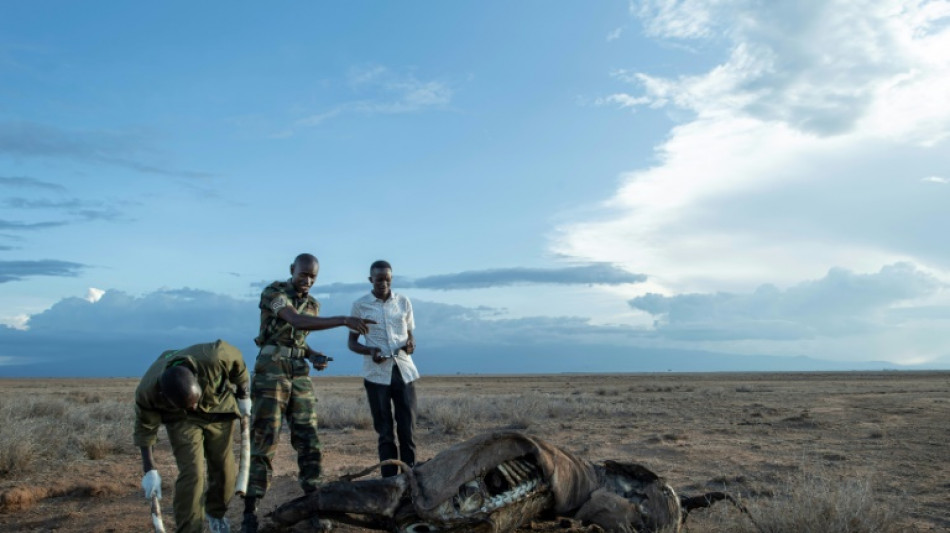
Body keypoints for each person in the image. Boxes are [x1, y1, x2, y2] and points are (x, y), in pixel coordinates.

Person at [242, 253, 374, 533]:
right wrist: (342, 320)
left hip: (298, 372)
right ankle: (250, 513)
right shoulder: (274, 293)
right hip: (271, 372)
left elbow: (298, 340)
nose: (308, 281)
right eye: (303, 274)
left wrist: (313, 355)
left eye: (313, 277)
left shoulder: (312, 304)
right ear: (292, 270)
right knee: (265, 440)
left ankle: (315, 506)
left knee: (309, 440)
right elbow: (295, 321)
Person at [134, 339, 251, 533]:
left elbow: (239, 367)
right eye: (190, 404)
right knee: (192, 473)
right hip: (181, 419)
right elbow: (145, 430)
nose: (195, 407)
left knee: (224, 469)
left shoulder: (216, 355)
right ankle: (189, 529)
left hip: (218, 408)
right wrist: (150, 470)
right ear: (164, 395)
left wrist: (243, 394)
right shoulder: (148, 392)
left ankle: (216, 514)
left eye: (194, 401)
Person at [348, 259, 418, 478]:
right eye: (379, 279)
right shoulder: (360, 305)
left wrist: (410, 343)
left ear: (391, 279)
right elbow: (352, 343)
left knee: (407, 429)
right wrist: (370, 351)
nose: (383, 283)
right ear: (371, 280)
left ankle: (411, 477)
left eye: (387, 279)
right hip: (376, 375)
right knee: (385, 432)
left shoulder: (404, 302)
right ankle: (389, 481)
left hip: (404, 372)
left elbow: (410, 334)